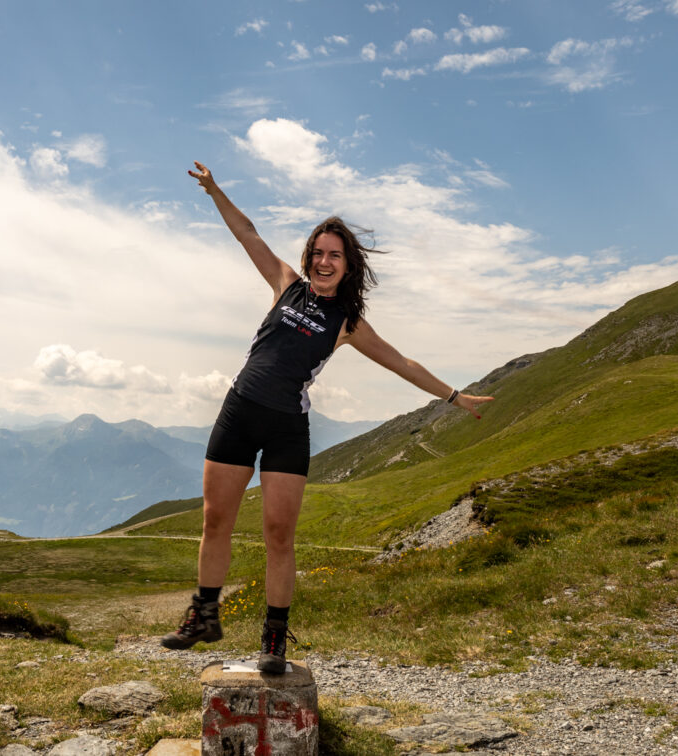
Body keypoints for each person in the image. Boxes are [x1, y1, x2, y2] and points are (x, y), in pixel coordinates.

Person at [160, 161, 494, 673]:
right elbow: (246, 233)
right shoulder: (285, 283)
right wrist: (214, 190)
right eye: (317, 252)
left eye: (333, 255)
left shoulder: (348, 322)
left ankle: (274, 639)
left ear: (348, 264)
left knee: (278, 535)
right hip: (238, 412)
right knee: (216, 520)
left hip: (287, 428)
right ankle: (204, 615)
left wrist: (454, 396)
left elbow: (401, 361)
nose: (322, 261)